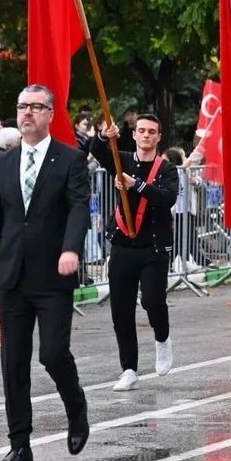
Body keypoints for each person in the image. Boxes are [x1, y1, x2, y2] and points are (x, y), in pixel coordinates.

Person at [0, 84, 91, 461]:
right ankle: (19, 443)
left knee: (53, 353)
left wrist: (71, 248)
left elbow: (78, 208)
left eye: (36, 107)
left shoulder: (70, 159)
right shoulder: (4, 163)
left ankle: (76, 407)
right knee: (13, 362)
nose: (27, 113)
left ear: (50, 114)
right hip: (10, 277)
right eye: (23, 106)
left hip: (53, 275)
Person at [90, 115, 179, 391]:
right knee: (121, 309)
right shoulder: (122, 159)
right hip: (123, 245)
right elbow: (95, 149)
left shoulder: (167, 168)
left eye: (151, 131)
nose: (146, 135)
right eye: (141, 130)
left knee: (153, 300)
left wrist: (136, 184)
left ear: (158, 137)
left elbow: (167, 198)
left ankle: (162, 340)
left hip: (153, 247)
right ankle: (128, 369)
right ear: (134, 134)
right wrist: (104, 135)